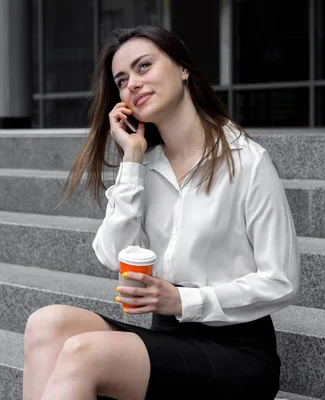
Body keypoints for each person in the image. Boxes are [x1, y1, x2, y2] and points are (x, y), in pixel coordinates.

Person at [23, 25, 300, 400]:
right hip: (167, 339)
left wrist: (183, 301)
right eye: (122, 80)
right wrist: (132, 160)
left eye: (143, 67)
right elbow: (111, 255)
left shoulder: (246, 161)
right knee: (46, 325)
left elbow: (281, 281)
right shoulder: (146, 166)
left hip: (238, 352)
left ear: (183, 68)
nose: (132, 84)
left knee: (83, 354)